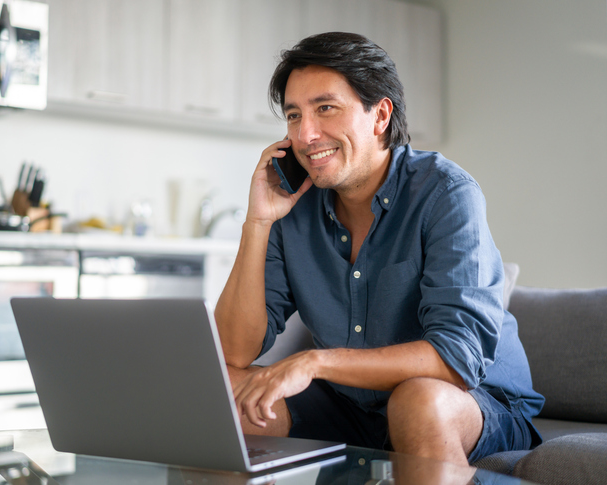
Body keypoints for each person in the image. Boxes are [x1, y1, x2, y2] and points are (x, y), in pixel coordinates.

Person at [214, 32, 544, 466]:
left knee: (419, 401)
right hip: (349, 403)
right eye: (294, 116)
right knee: (225, 393)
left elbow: (456, 359)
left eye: (325, 108)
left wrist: (315, 362)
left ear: (380, 114)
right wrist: (257, 223)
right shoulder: (292, 204)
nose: (306, 134)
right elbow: (233, 352)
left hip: (474, 401)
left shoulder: (445, 193)